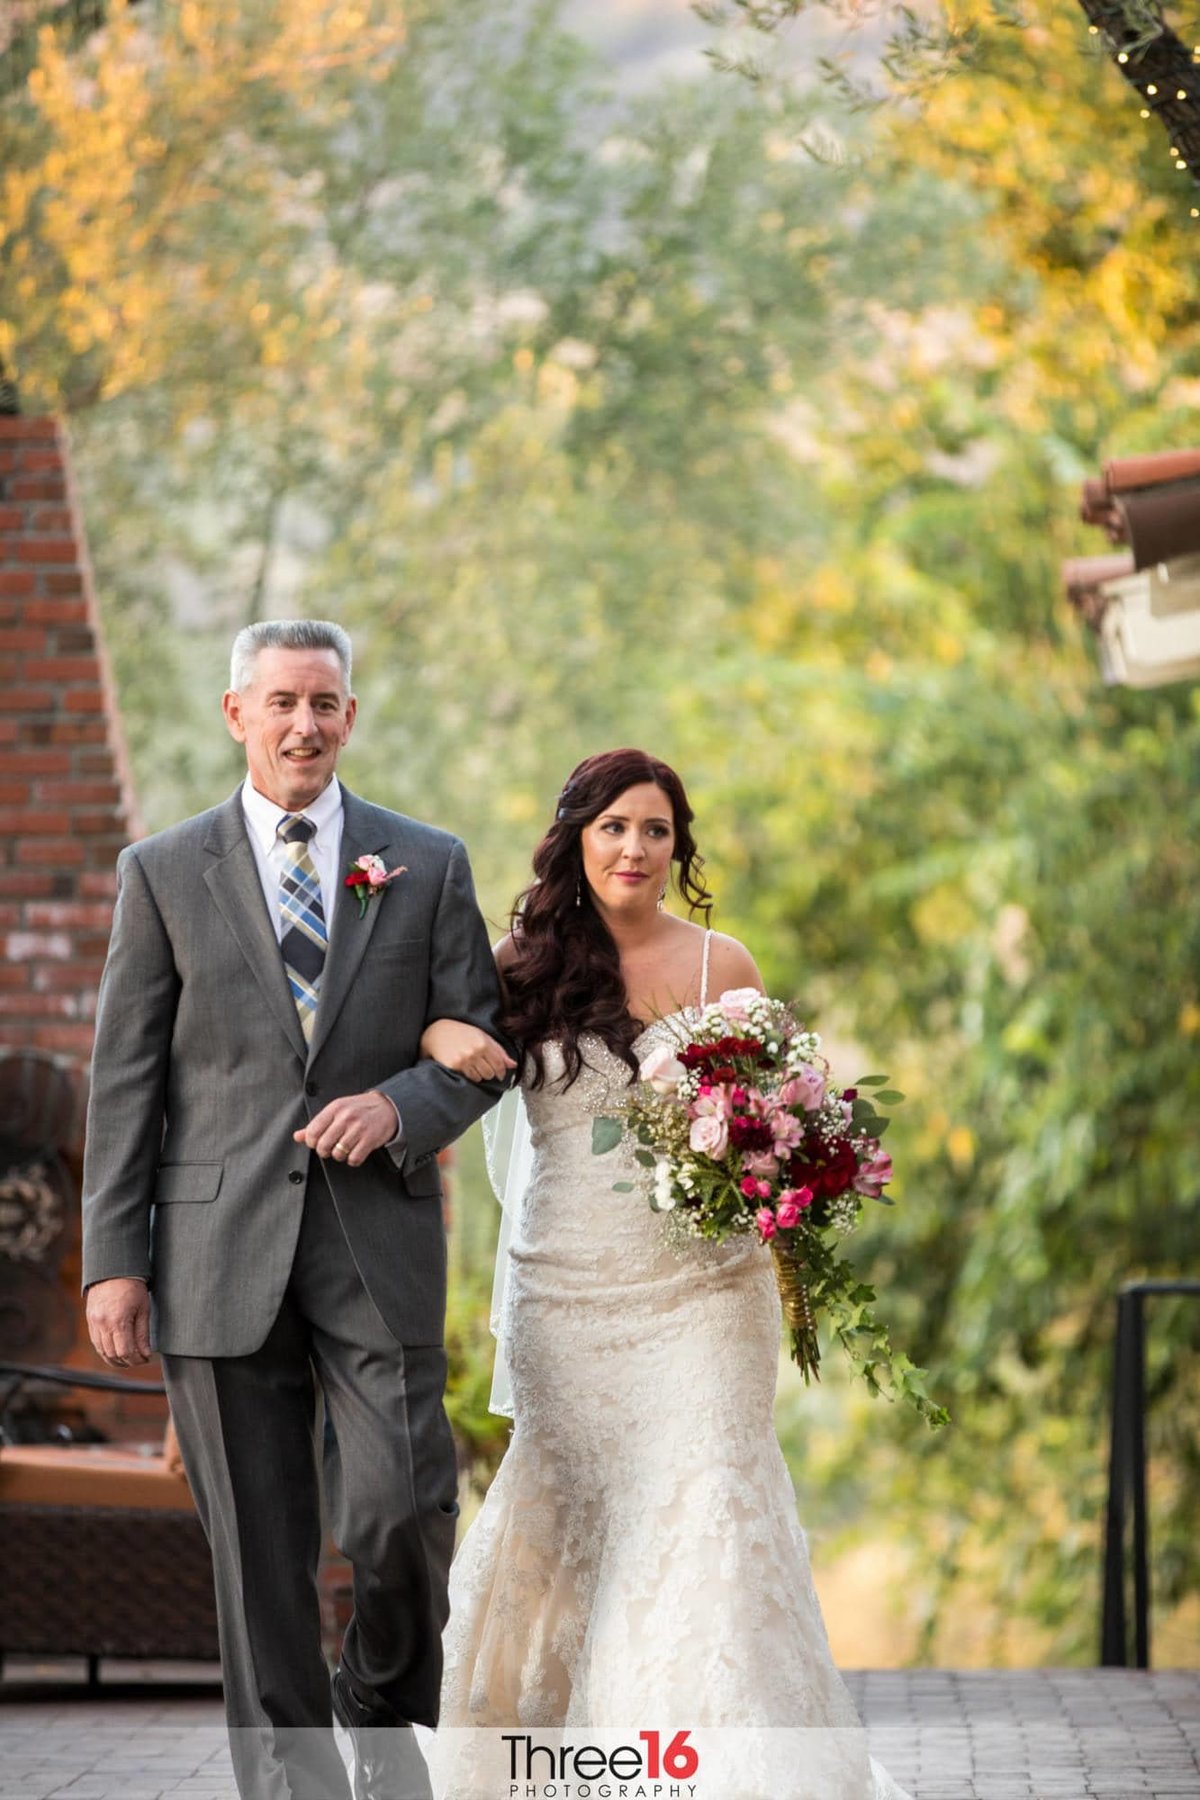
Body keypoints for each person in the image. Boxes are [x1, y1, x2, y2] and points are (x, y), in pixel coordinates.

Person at [419, 747, 913, 1800]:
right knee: (576, 1520)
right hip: (569, 1301)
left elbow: (781, 1119)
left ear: (678, 844)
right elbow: (435, 1044)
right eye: (614, 827)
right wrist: (436, 1025)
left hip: (705, 1298)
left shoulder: (721, 968)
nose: (636, 848)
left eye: (655, 829)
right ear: (576, 841)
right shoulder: (516, 969)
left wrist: (786, 1167)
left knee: (707, 1518)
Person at [81, 620, 513, 1800]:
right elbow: (125, 1079)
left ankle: (376, 1699)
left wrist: (399, 1107)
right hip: (215, 1252)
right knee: (260, 1561)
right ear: (237, 714)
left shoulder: (425, 862)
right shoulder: (162, 872)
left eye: (324, 703)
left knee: (401, 1513)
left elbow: (486, 1048)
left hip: (375, 1240)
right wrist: (113, 1260)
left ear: (351, 718)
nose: (302, 725)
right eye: (280, 703)